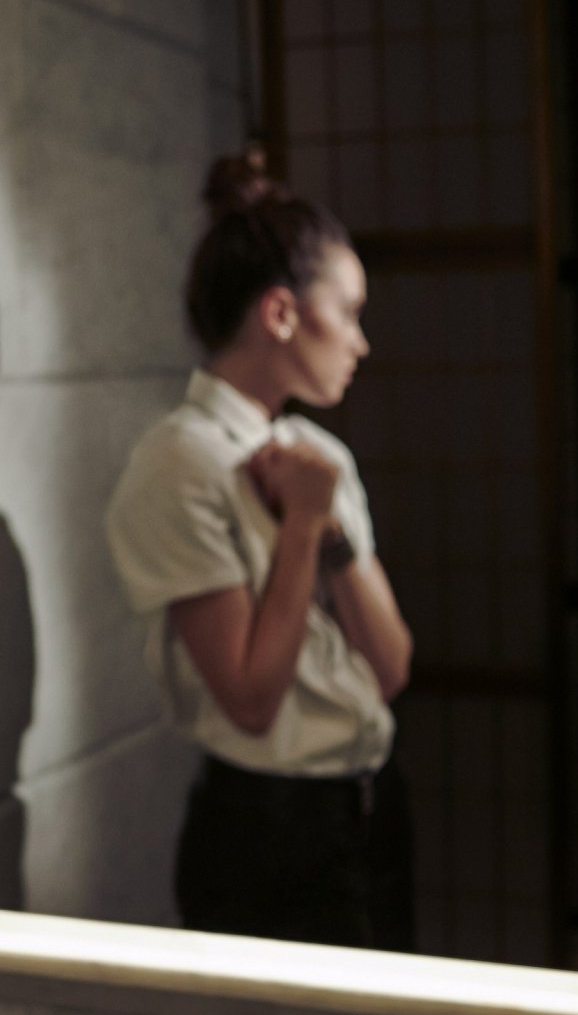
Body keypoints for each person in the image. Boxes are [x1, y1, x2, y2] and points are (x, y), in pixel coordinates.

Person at [104, 149, 416, 951]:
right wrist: (303, 527)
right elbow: (249, 698)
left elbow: (390, 667)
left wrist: (328, 532)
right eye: (348, 313)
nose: (360, 342)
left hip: (371, 802)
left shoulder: (318, 454)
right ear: (280, 313)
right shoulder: (181, 461)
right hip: (268, 833)